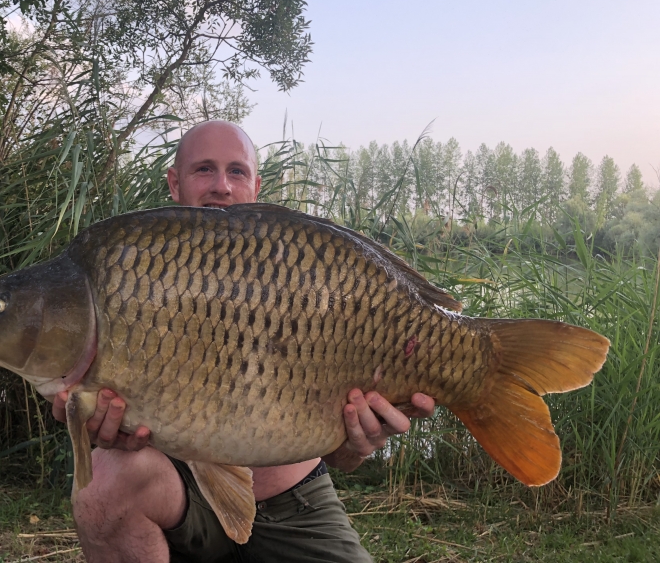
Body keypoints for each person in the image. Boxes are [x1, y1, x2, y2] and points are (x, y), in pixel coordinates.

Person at [52, 120, 435, 562]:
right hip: (179, 497)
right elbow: (74, 381)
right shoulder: (134, 269)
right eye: (203, 170)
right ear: (174, 183)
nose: (221, 186)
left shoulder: (301, 267)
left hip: (296, 504)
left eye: (236, 172)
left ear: (256, 184)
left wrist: (358, 440)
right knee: (104, 479)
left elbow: (345, 459)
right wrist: (86, 419)